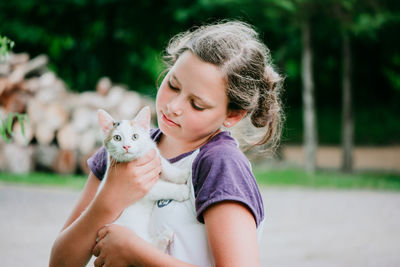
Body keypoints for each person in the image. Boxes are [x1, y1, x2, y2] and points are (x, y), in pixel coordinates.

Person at [50, 20, 283, 267]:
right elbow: (60, 263)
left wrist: (135, 252)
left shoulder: (219, 164)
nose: (173, 107)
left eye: (196, 104)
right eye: (173, 85)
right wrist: (109, 197)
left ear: (232, 115)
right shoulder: (121, 148)